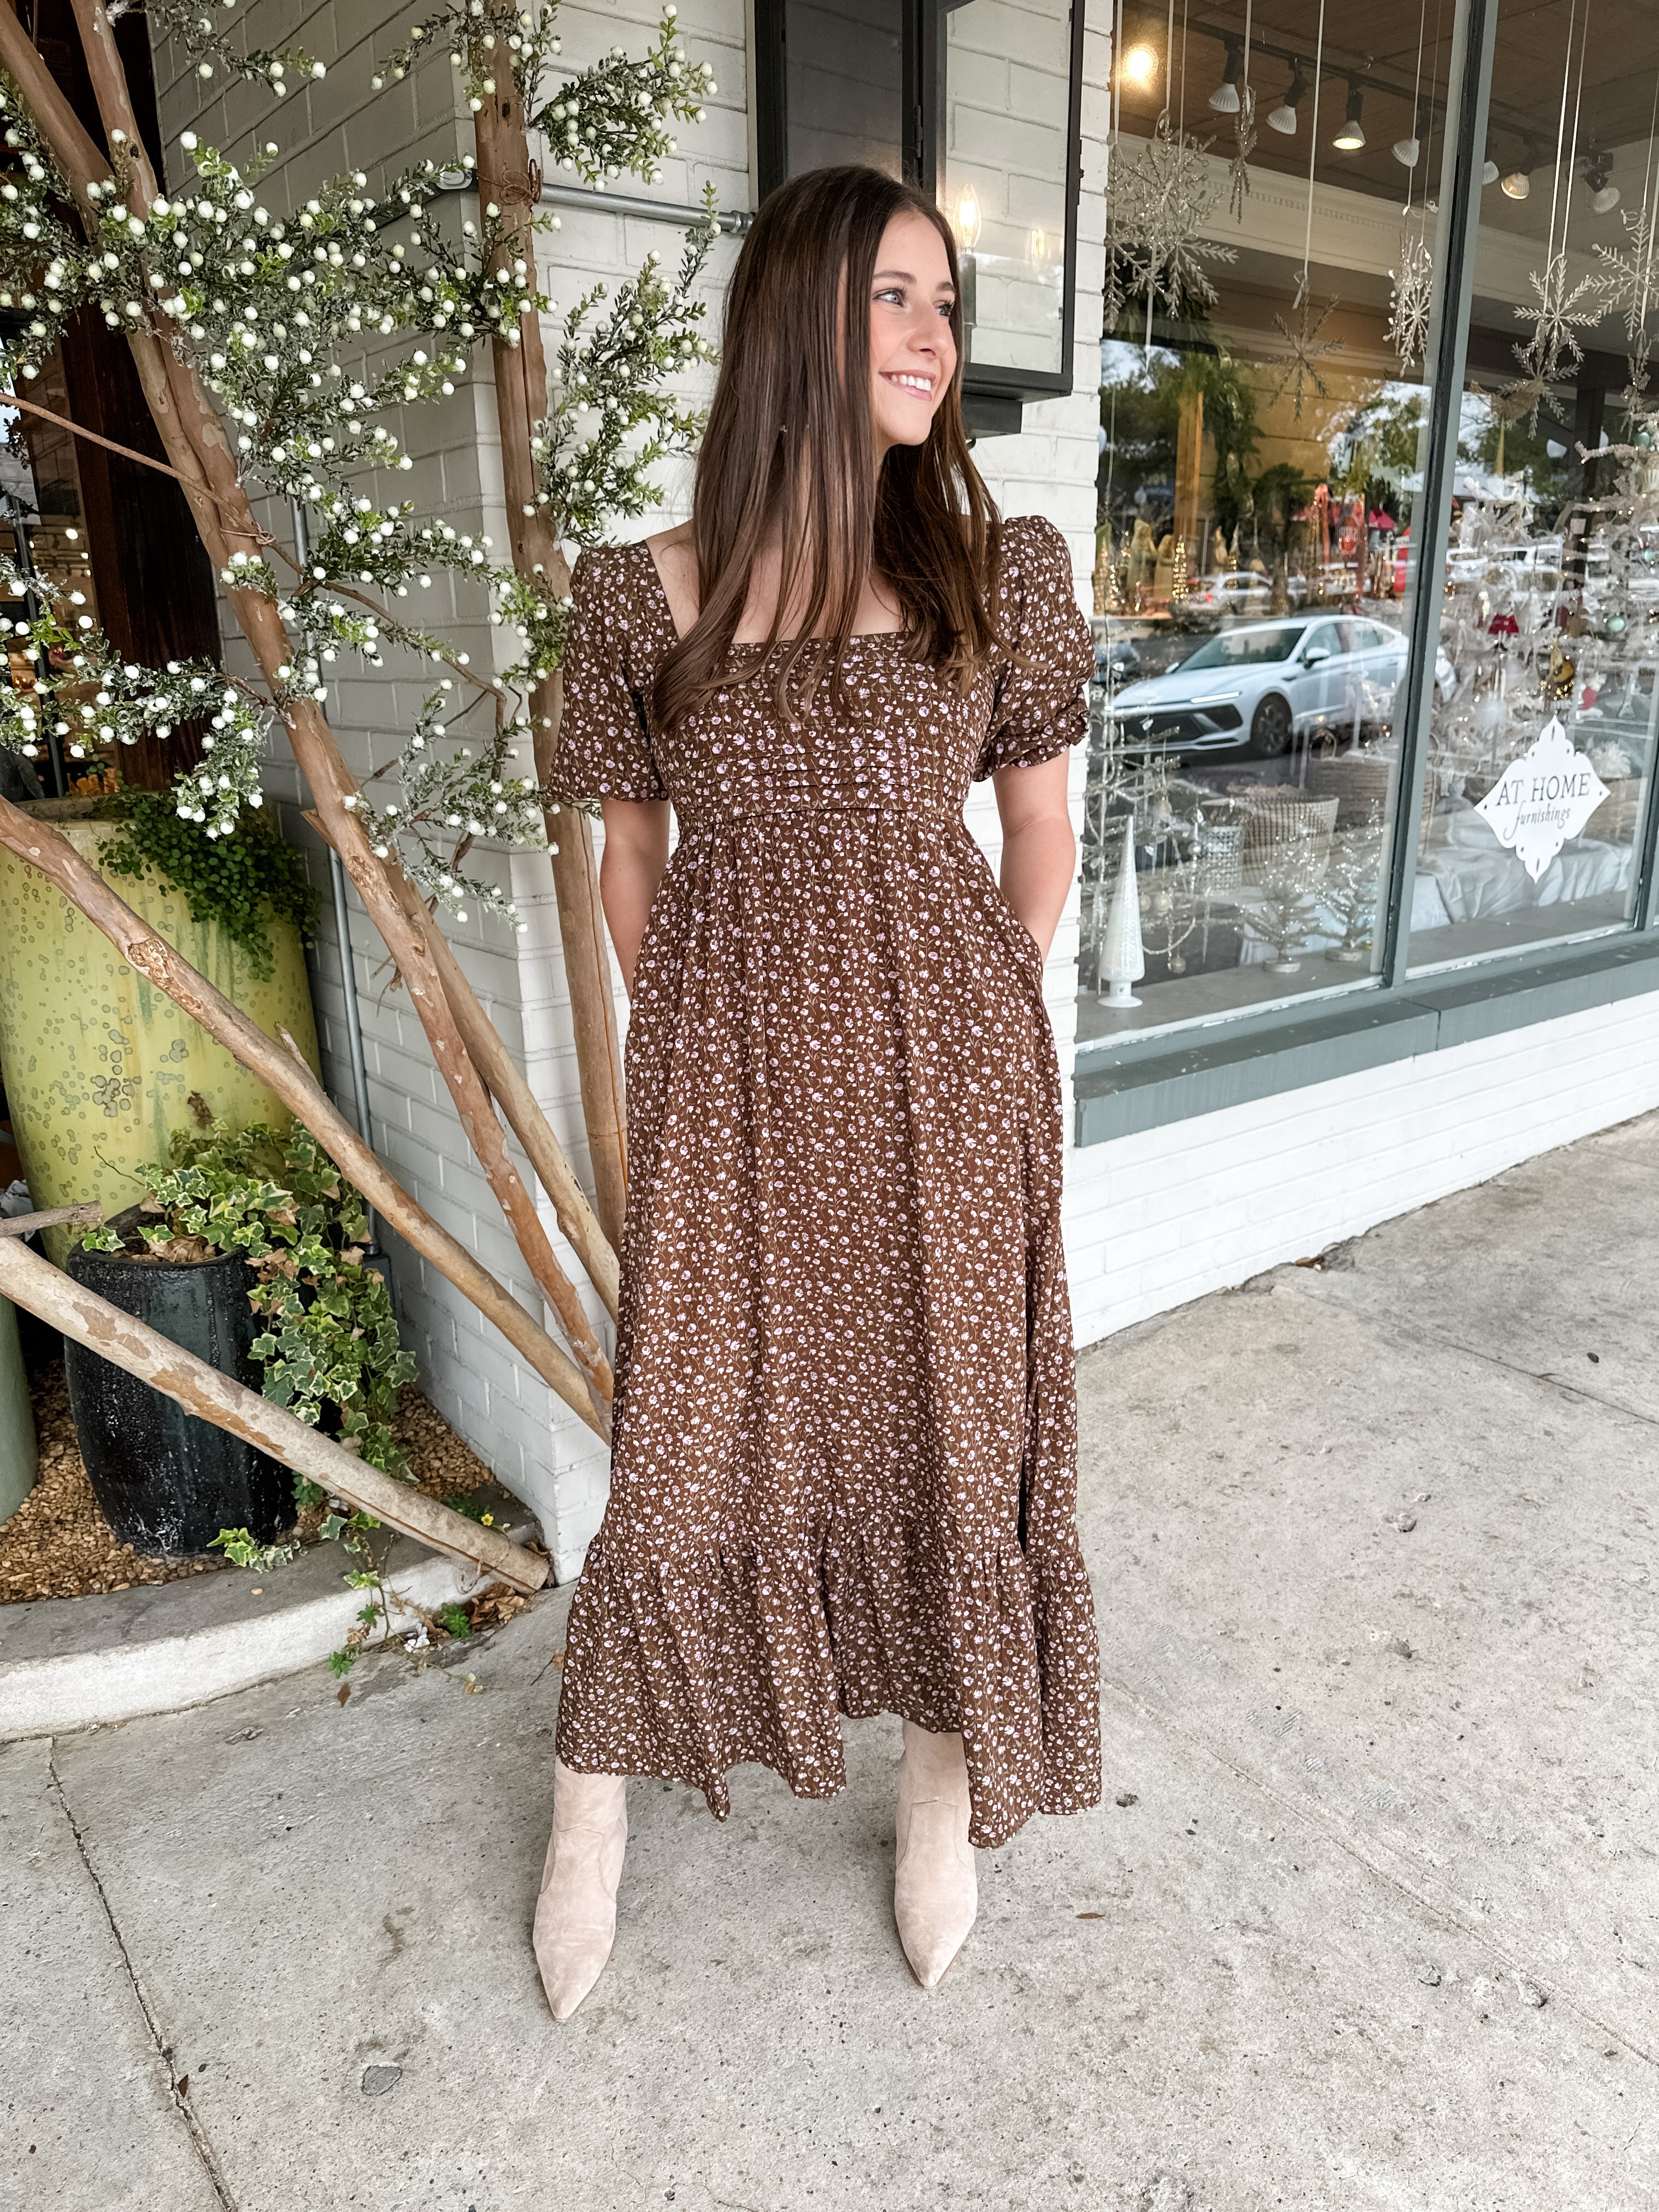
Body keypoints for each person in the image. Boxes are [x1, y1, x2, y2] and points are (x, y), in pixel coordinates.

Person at [536, 162, 1102, 2021]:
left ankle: (941, 1784)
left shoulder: (995, 569)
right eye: (896, 299)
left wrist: (969, 1022)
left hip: (950, 1090)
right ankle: (591, 1808)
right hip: (730, 1100)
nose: (938, 337)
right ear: (799, 318)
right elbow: (632, 865)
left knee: (954, 1425)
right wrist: (710, 1041)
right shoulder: (640, 600)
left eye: (948, 302)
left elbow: (1039, 831)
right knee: (686, 1440)